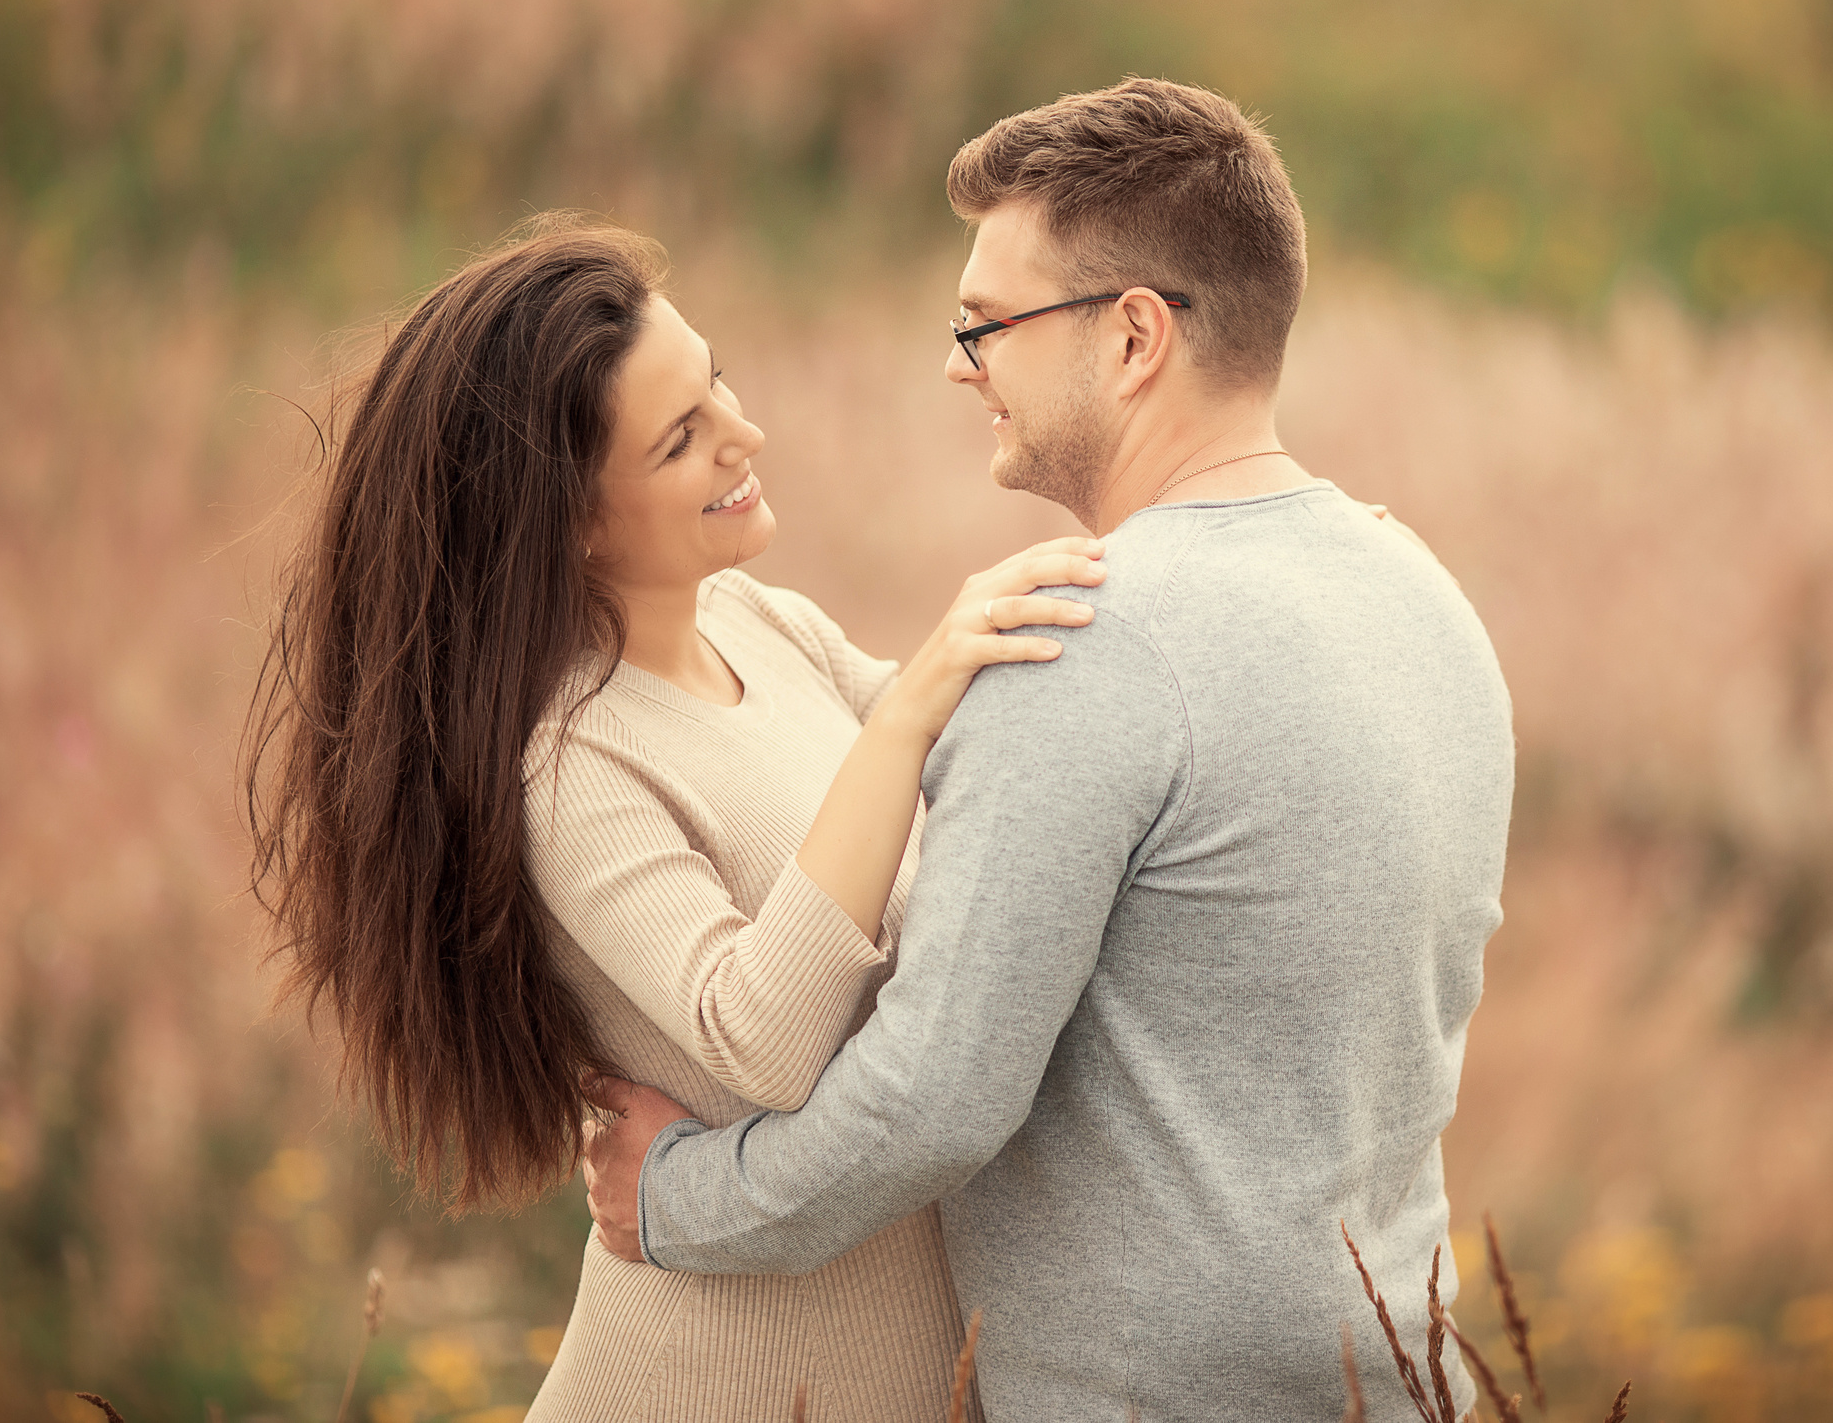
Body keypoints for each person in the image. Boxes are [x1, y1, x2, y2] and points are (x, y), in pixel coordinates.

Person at [580, 78, 1517, 1418]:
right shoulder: (1419, 590)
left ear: (1134, 336)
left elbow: (933, 1098)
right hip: (1404, 1381)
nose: (960, 366)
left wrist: (677, 1195)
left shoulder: (1079, 634)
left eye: (987, 326)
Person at [244, 216, 1104, 1420]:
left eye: (720, 389)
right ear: (571, 522)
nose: (743, 438)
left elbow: (1005, 771)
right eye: (680, 441)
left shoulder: (762, 623)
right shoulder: (569, 760)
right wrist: (904, 718)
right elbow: (759, 1038)